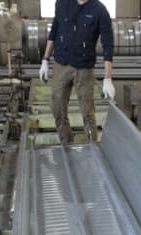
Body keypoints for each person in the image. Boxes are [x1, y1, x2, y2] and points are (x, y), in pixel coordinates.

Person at [39, 0, 115, 144]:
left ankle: (92, 147)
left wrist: (107, 79)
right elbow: (54, 31)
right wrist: (45, 59)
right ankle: (67, 144)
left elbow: (108, 46)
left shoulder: (99, 10)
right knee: (57, 108)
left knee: (87, 112)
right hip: (62, 64)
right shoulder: (62, 3)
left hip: (84, 68)